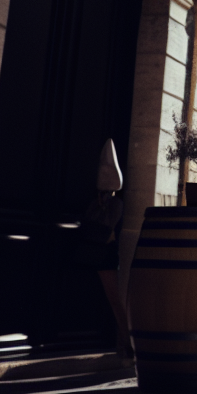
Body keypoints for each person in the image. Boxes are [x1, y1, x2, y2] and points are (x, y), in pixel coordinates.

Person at [74, 138, 129, 356]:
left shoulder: (115, 204)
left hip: (104, 254)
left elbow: (107, 228)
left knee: (113, 299)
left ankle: (126, 343)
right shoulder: (95, 203)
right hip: (95, 251)